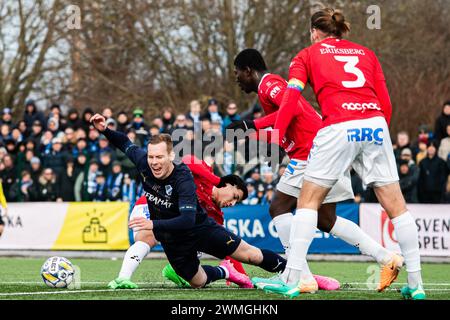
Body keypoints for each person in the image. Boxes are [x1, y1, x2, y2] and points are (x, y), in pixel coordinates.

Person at [256, 8, 425, 300]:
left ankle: (295, 280)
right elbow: (384, 102)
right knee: (398, 208)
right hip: (374, 125)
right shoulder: (366, 53)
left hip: (338, 126)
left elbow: (292, 96)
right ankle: (417, 285)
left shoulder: (306, 55)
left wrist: (277, 134)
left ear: (314, 32)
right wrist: (379, 134)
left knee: (307, 202)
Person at [231, 48, 399, 293]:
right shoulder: (270, 87)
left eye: (238, 74)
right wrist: (253, 132)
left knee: (278, 207)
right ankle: (387, 257)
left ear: (248, 70)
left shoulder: (270, 84)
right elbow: (286, 122)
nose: (237, 79)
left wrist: (252, 124)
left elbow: (295, 108)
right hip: (326, 148)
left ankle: (300, 277)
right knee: (325, 219)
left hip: (311, 153)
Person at [90, 113, 287, 291]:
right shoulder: (146, 163)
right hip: (173, 240)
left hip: (198, 228)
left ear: (171, 156)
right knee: (198, 281)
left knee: (250, 254)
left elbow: (186, 219)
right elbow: (125, 143)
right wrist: (105, 130)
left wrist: (152, 224)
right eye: (151, 157)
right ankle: (224, 272)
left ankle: (293, 272)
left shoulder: (183, 179)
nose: (154, 162)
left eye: (159, 157)